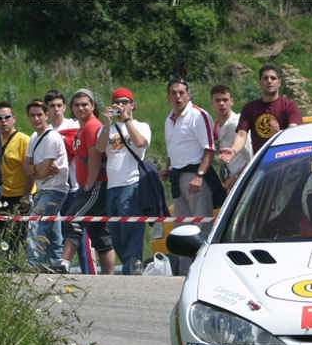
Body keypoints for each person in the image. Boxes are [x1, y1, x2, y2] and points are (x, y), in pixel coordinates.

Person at [160, 78, 220, 274]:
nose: (178, 97)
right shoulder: (169, 119)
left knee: (201, 226)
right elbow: (173, 149)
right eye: (174, 93)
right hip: (178, 177)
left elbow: (209, 149)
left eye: (181, 92)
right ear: (168, 96)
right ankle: (186, 272)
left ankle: (205, 270)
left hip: (195, 175)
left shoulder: (198, 115)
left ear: (188, 95)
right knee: (182, 228)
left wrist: (200, 175)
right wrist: (168, 168)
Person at [57, 89, 116, 274]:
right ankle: (109, 275)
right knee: (99, 233)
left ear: (92, 106)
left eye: (85, 104)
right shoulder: (83, 128)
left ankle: (64, 263)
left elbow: (95, 156)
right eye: (77, 105)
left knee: (74, 219)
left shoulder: (92, 126)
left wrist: (89, 184)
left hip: (96, 184)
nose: (81, 108)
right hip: (90, 184)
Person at [96, 87, 151, 275]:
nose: (121, 105)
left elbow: (140, 143)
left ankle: (132, 266)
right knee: (116, 232)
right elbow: (100, 147)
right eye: (117, 102)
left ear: (133, 105)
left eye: (125, 102)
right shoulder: (108, 128)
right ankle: (129, 264)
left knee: (131, 229)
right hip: (113, 186)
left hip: (132, 182)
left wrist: (127, 120)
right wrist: (106, 123)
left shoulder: (141, 126)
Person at [44, 89, 95, 274]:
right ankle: (59, 270)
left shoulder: (75, 126)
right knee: (57, 234)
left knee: (79, 232)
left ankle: (89, 272)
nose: (56, 110)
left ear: (65, 107)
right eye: (52, 106)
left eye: (59, 106)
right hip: (56, 188)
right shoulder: (46, 131)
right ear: (47, 110)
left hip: (76, 187)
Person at [221, 64, 302, 163]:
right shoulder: (249, 108)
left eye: (273, 78)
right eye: (265, 78)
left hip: (286, 161)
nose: (269, 81)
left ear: (279, 83)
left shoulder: (290, 106)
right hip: (261, 163)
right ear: (260, 82)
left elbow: (293, 132)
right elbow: (242, 134)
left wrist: (279, 134)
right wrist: (233, 150)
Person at [22, 99, 68, 270]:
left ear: (46, 115)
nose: (36, 119)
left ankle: (34, 263)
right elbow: (26, 168)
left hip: (54, 189)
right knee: (53, 229)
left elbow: (41, 171)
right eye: (32, 115)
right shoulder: (34, 137)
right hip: (42, 189)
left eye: (39, 115)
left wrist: (34, 170)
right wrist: (36, 169)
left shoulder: (52, 137)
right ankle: (55, 262)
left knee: (36, 223)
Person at [0, 101, 34, 252]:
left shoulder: (24, 140)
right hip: (1, 196)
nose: (3, 121)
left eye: (7, 117)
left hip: (20, 195)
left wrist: (26, 196)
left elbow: (30, 171)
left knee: (20, 236)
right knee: (5, 237)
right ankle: (9, 269)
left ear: (14, 119)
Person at [211, 84, 251, 191]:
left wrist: (237, 177)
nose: (222, 104)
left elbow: (251, 155)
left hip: (246, 178)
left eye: (225, 100)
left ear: (232, 101)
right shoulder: (219, 126)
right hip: (231, 180)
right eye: (218, 100)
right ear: (212, 103)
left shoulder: (238, 123)